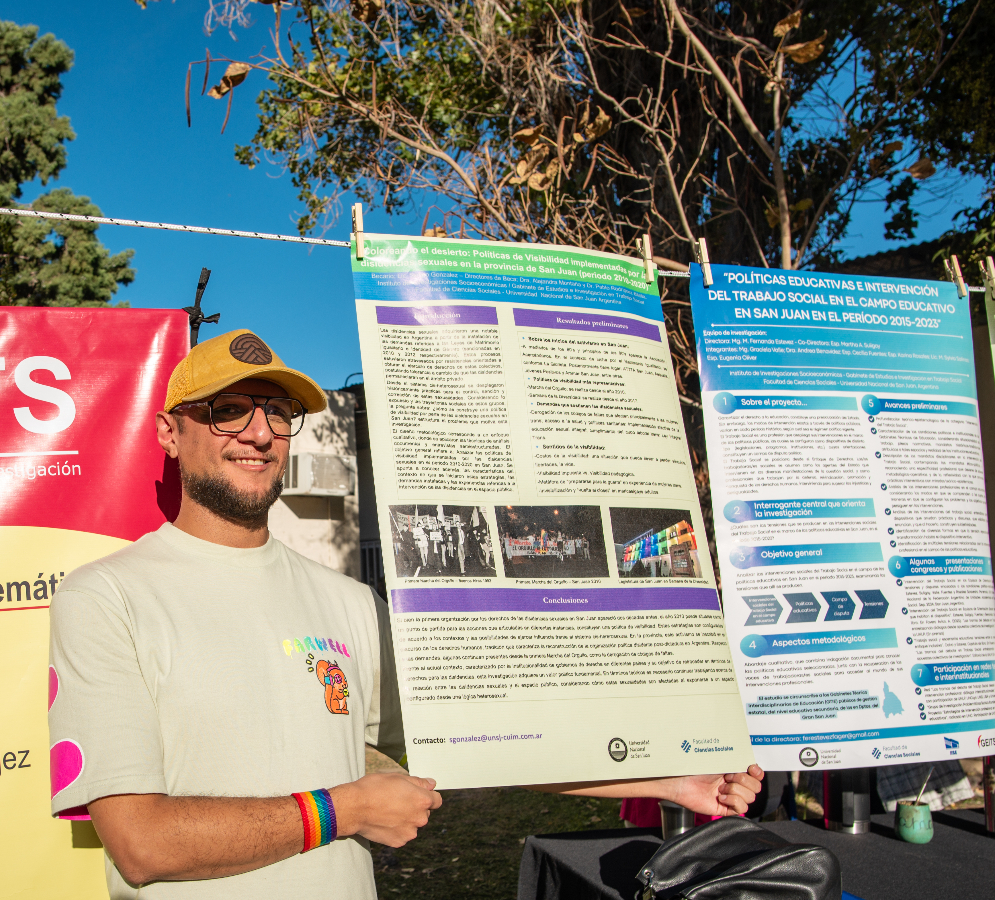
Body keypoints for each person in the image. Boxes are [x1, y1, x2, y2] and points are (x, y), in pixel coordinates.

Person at [48, 330, 764, 899]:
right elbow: (140, 844)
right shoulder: (107, 597)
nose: (260, 433)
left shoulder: (349, 602)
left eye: (277, 411)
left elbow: (490, 738)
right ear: (171, 435)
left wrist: (673, 780)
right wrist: (345, 809)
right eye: (228, 409)